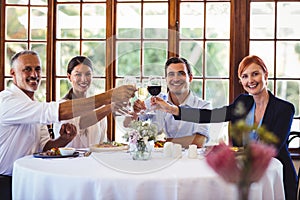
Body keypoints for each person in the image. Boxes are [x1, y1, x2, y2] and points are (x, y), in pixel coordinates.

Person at [151, 55, 297, 200]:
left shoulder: (284, 109)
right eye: (245, 76)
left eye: (255, 74)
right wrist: (173, 110)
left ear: (265, 75)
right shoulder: (243, 102)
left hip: (274, 175)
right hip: (242, 175)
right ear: (241, 81)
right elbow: (213, 115)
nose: (250, 80)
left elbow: (271, 147)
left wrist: (226, 151)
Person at [0, 50, 135, 199]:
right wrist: (109, 97)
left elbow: (45, 147)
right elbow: (58, 112)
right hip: (5, 182)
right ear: (12, 73)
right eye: (27, 69)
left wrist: (64, 139)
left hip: (28, 177)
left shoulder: (32, 105)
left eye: (37, 69)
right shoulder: (6, 101)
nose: (34, 74)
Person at [124, 57, 212, 148]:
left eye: (181, 73)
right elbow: (127, 124)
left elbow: (199, 141)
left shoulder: (203, 106)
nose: (176, 79)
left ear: (190, 78)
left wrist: (161, 142)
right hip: (157, 160)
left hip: (188, 160)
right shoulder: (156, 100)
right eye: (171, 74)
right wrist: (135, 112)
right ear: (166, 79)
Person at [53, 56, 108, 148]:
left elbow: (102, 142)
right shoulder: (62, 107)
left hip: (93, 160)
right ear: (69, 77)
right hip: (67, 160)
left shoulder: (99, 108)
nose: (84, 79)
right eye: (78, 75)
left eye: (88, 74)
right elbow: (79, 125)